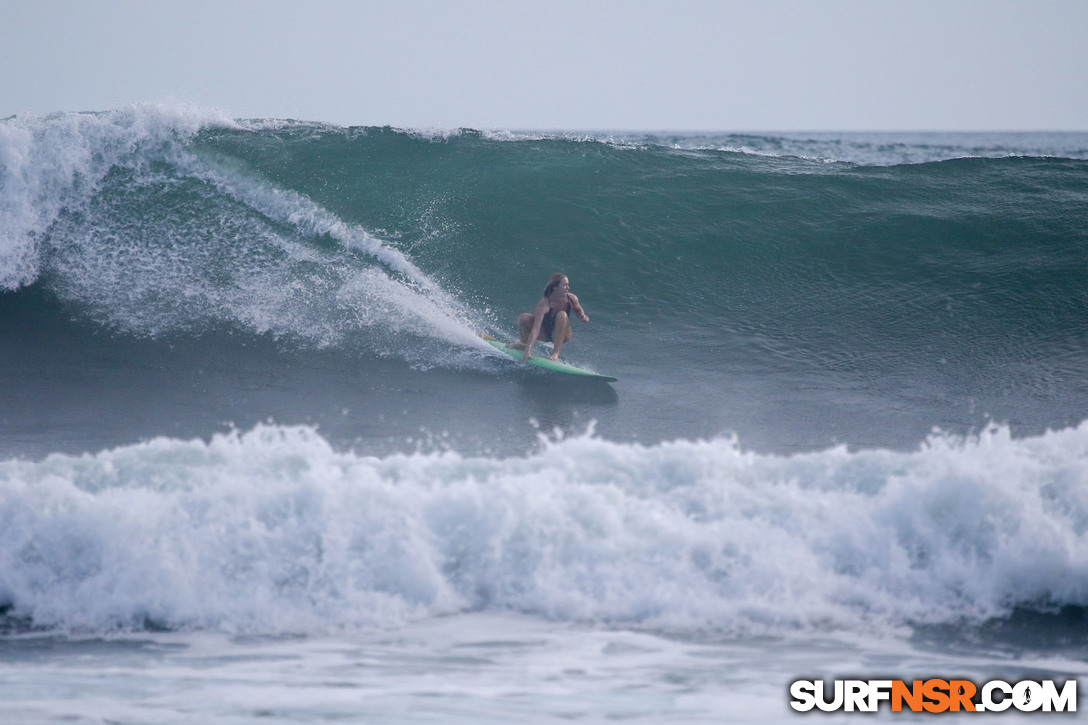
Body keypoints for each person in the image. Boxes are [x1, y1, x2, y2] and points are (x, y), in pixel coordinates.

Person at [509, 273, 590, 361]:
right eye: (565, 285)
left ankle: (556, 353)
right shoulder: (544, 303)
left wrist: (583, 317)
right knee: (523, 317)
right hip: (545, 333)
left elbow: (579, 311)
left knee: (562, 315)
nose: (568, 287)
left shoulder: (571, 299)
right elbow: (536, 329)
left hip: (562, 335)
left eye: (568, 285)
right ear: (555, 287)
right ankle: (523, 345)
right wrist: (528, 350)